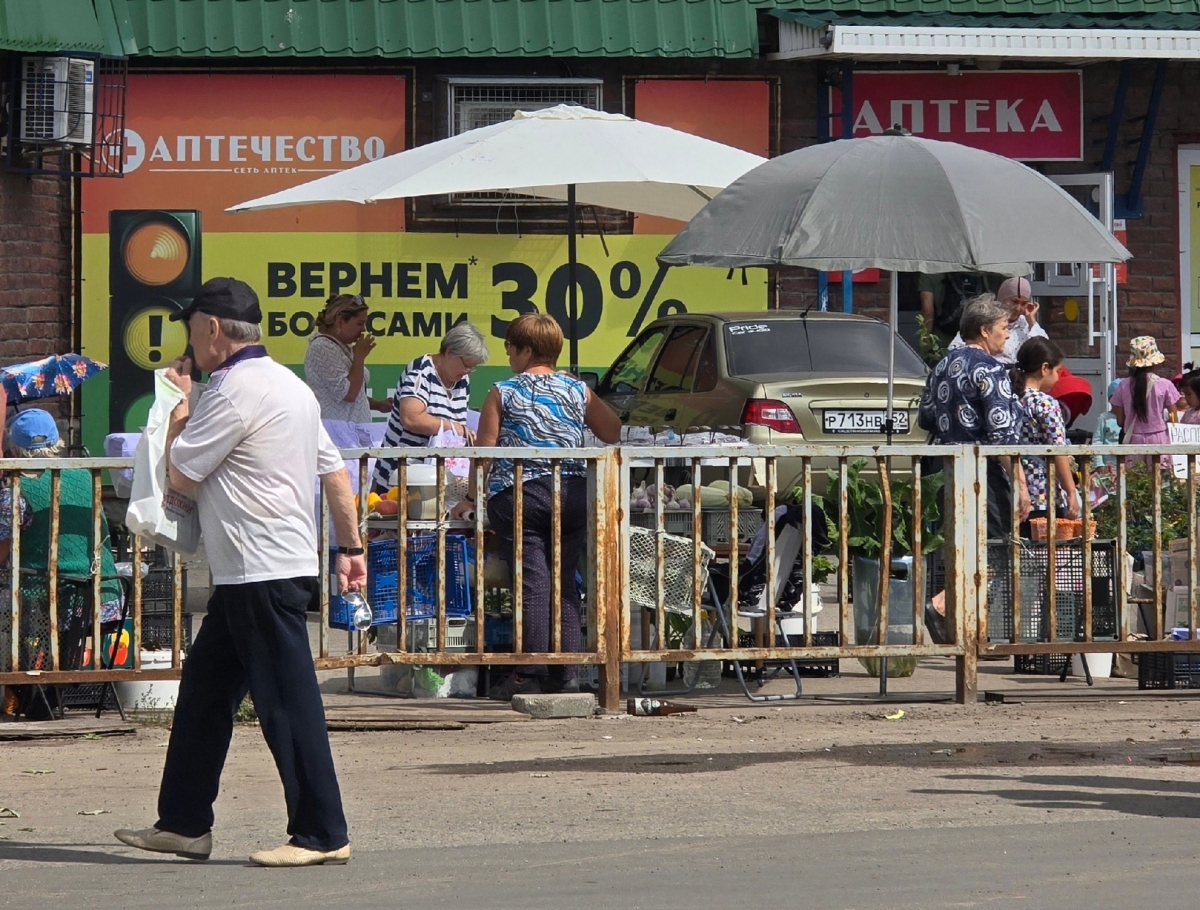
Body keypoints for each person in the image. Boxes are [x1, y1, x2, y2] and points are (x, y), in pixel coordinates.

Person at [114, 277, 367, 868]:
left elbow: (180, 473)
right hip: (256, 569)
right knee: (204, 694)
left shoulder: (232, 391)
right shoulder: (291, 387)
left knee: (286, 703)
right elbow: (334, 473)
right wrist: (349, 547)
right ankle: (183, 823)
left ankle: (322, 833)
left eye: (190, 327)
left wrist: (179, 408)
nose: (189, 340)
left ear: (212, 329)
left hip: (260, 567)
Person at [451, 314, 621, 700]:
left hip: (522, 493)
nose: (509, 355)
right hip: (574, 493)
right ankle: (567, 673)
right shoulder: (578, 390)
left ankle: (528, 672)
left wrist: (472, 498)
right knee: (565, 583)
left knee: (533, 581)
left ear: (527, 350)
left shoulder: (503, 391)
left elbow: (485, 452)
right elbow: (612, 430)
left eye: (511, 348)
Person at [0, 408, 122, 717]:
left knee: (11, 607)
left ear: (14, 448)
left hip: (46, 599)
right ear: (57, 441)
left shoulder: (16, 487)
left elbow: (2, 549)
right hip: (103, 596)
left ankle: (34, 692)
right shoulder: (85, 475)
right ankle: (47, 691)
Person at [918, 295, 1031, 541]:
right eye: (1003, 327)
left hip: (944, 471)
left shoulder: (941, 367)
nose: (1009, 334)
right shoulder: (990, 368)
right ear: (984, 330)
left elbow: (926, 418)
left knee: (948, 548)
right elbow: (1002, 437)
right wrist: (1021, 485)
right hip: (982, 476)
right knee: (989, 550)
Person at [370, 321, 490, 495]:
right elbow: (411, 417)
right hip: (400, 475)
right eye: (466, 364)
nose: (468, 371)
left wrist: (465, 435)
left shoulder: (462, 381)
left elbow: (455, 427)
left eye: (473, 367)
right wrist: (454, 428)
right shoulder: (421, 371)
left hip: (437, 477)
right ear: (449, 352)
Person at [1011, 338, 1081, 534]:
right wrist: (1071, 490)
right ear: (1044, 368)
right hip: (1042, 490)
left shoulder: (1008, 397)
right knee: (1047, 555)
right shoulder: (1045, 403)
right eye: (1057, 371)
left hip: (1012, 484)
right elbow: (1057, 450)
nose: (1058, 378)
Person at [303, 294, 391, 423]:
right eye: (359, 323)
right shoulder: (321, 347)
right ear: (340, 321)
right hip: (336, 434)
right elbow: (348, 394)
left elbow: (353, 397)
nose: (363, 330)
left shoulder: (344, 347)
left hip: (352, 433)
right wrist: (359, 356)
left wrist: (378, 405)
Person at [1110, 336, 1182, 466]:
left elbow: (1120, 420)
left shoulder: (1122, 386)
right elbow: (1174, 419)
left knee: (1135, 480)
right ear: (1155, 362)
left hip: (1133, 438)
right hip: (1159, 438)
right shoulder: (1165, 384)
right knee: (1161, 480)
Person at [947, 276, 1047, 366]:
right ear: (1002, 298)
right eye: (1014, 301)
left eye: (1024, 304)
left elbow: (1045, 351)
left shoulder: (1027, 324)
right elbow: (955, 349)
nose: (1018, 308)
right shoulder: (986, 319)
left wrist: (1031, 321)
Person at [918, 271, 1003, 354]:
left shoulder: (929, 273)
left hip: (942, 341)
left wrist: (926, 342)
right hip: (973, 341)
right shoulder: (979, 271)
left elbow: (928, 311)